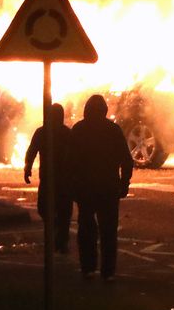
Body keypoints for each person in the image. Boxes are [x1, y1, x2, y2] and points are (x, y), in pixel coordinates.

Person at [68, 95, 133, 282]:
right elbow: (126, 160)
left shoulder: (79, 130)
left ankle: (88, 267)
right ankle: (108, 271)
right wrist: (124, 183)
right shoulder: (113, 130)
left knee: (86, 228)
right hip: (108, 187)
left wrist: (71, 186)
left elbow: (69, 162)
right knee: (108, 231)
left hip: (85, 188)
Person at [23, 103, 73, 254]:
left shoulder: (46, 132)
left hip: (57, 178)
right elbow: (31, 151)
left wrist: (28, 168)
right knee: (54, 210)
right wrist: (27, 167)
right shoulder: (58, 132)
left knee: (57, 210)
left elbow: (31, 152)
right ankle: (60, 238)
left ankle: (61, 241)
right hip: (59, 179)